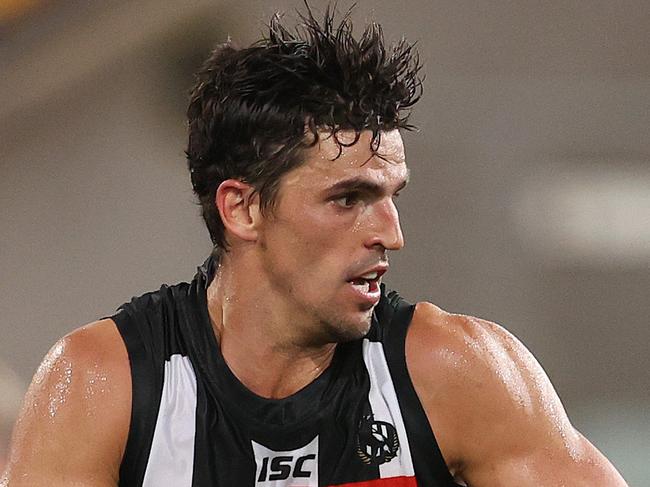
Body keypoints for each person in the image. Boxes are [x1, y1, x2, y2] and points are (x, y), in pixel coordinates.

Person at [1, 5, 629, 487]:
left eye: (392, 195)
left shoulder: (460, 374)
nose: (390, 233)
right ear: (243, 208)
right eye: (348, 198)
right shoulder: (102, 386)